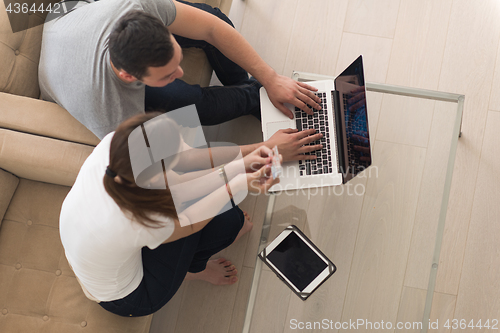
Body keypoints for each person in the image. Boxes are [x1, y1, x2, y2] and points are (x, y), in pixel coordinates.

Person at [60, 111, 285, 317]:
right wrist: (236, 184)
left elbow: (180, 180)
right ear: (153, 179)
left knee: (220, 211)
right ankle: (195, 271)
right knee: (226, 222)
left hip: (93, 255)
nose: (185, 149)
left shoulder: (116, 146)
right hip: (128, 297)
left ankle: (183, 263)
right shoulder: (139, 219)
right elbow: (189, 223)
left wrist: (241, 164)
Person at [39, 0, 323, 140]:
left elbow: (211, 28)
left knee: (211, 17)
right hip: (64, 67)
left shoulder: (135, 7)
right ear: (130, 77)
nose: (180, 72)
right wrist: (265, 152)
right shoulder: (111, 115)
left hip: (69, 14)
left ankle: (249, 84)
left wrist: (270, 78)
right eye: (167, 73)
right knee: (186, 100)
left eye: (177, 61)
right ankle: (253, 98)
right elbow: (175, 168)